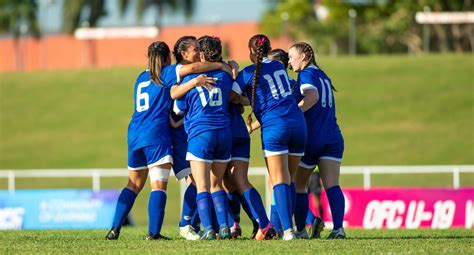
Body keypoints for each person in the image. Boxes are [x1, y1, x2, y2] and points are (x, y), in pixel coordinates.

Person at [105, 41, 218, 240]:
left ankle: (114, 229)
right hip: (155, 134)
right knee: (158, 186)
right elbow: (193, 68)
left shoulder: (141, 77)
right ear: (167, 58)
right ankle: (154, 233)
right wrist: (221, 66)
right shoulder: (166, 73)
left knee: (133, 184)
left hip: (135, 134)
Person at [232, 34, 307, 241]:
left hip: (275, 126)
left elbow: (232, 95)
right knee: (290, 179)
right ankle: (292, 229)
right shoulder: (278, 67)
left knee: (278, 180)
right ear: (268, 49)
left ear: (250, 51)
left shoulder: (248, 72)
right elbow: (266, 94)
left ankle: (288, 231)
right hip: (298, 124)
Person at [174, 36, 235, 240]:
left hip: (202, 135)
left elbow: (179, 109)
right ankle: (225, 227)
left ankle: (209, 229)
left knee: (202, 186)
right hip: (224, 134)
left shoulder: (189, 82)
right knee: (217, 184)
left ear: (201, 55)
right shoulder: (226, 76)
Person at [288, 42, 346, 239]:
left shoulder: (306, 74)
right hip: (332, 137)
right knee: (332, 185)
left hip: (313, 138)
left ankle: (302, 230)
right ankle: (338, 229)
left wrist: (293, 114)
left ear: (304, 56)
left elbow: (311, 97)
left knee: (298, 185)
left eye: (291, 56)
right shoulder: (322, 75)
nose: (289, 61)